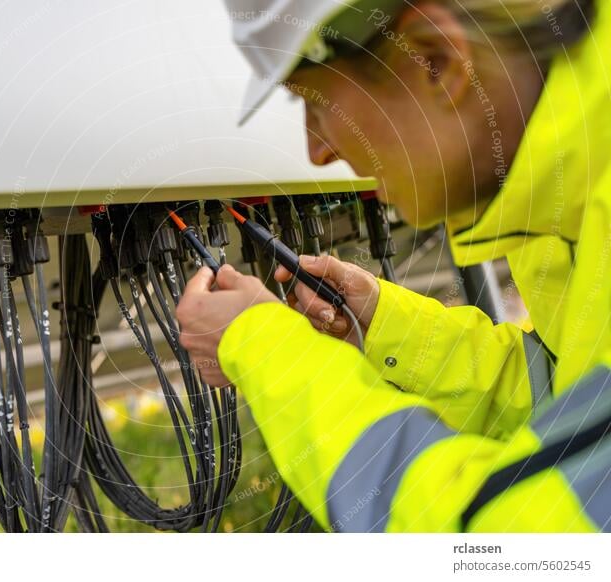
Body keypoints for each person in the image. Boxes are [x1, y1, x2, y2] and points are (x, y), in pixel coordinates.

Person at [175, 0, 611, 531]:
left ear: (434, 59)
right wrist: (386, 326)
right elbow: (570, 403)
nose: (316, 152)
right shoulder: (573, 198)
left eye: (313, 103)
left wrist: (265, 349)